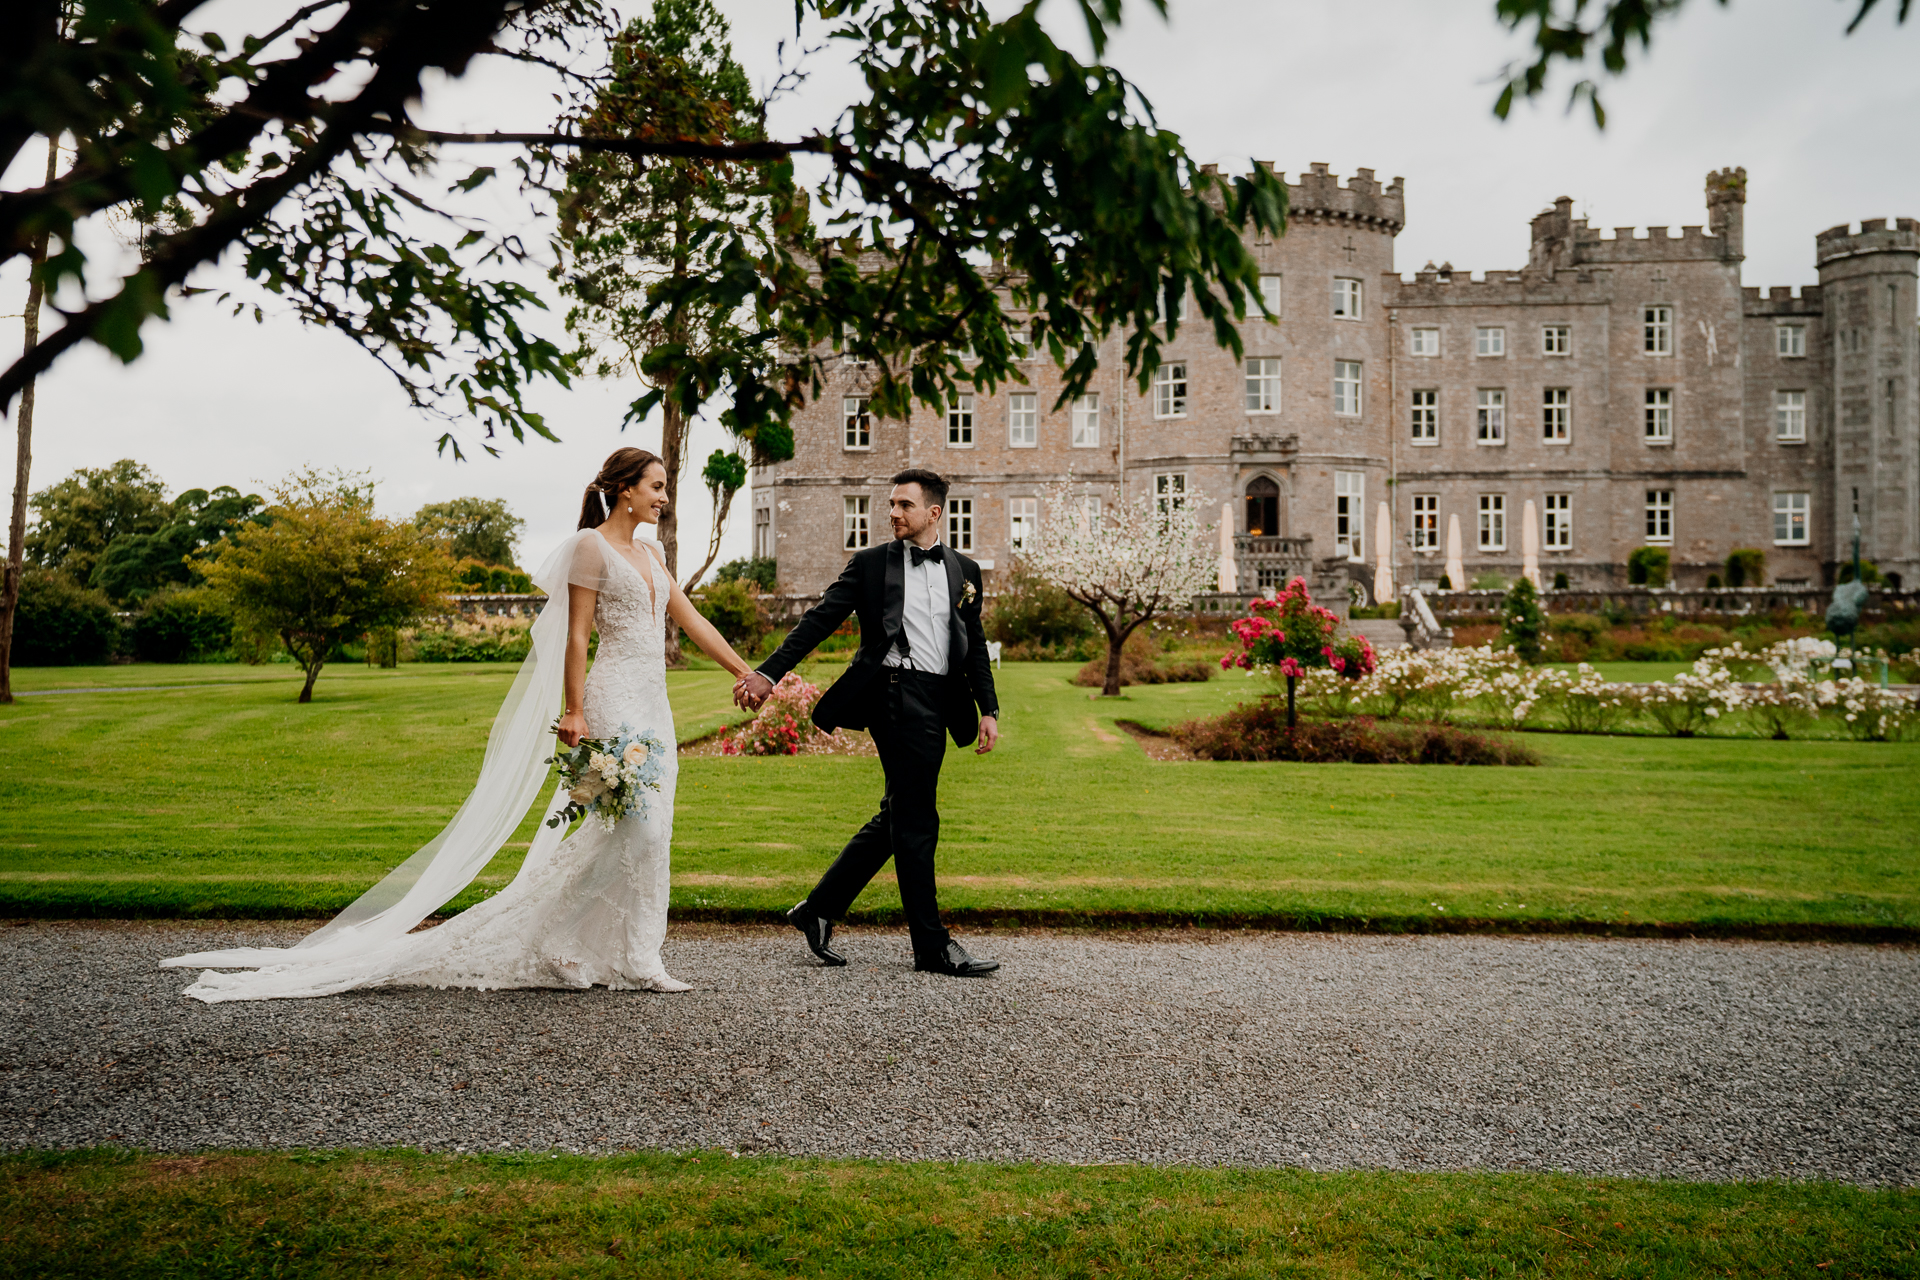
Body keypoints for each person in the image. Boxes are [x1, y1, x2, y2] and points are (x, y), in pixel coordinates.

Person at [160, 448, 760, 1001]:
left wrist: (746, 671)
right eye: (656, 487)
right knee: (637, 827)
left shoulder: (653, 554)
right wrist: (574, 709)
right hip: (612, 698)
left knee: (637, 830)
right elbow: (577, 635)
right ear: (625, 490)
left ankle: (631, 953)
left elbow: (691, 618)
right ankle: (577, 943)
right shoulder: (590, 548)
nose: (664, 497)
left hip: (654, 703)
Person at [734, 468, 1001, 977]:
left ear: (934, 514)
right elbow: (819, 619)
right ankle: (932, 947)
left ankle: (817, 909)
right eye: (892, 504)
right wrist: (769, 673)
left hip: (939, 698)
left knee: (899, 815)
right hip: (894, 697)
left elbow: (973, 645)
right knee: (919, 820)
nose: (894, 513)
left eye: (904, 505)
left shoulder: (965, 571)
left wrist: (987, 709)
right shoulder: (872, 565)